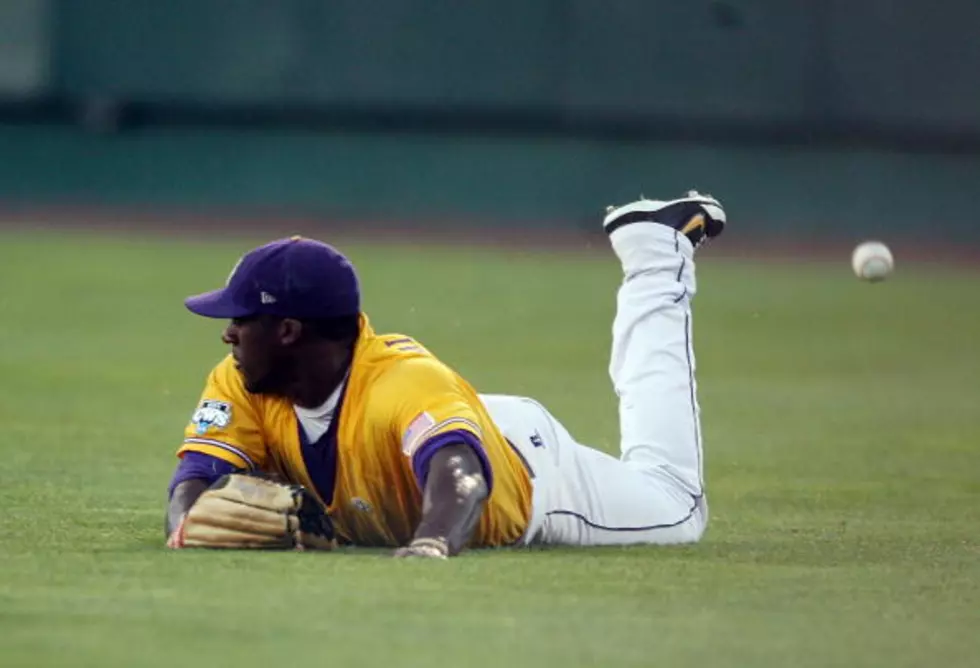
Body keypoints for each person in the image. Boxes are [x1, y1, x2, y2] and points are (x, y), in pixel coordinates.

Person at [165, 190, 727, 558]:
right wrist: (184, 521)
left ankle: (656, 254)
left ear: (288, 331)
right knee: (432, 430)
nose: (228, 333)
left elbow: (463, 476)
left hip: (530, 471)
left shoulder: (398, 385)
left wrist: (432, 541)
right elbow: (198, 469)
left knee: (677, 505)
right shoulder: (240, 378)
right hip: (439, 422)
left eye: (242, 319)